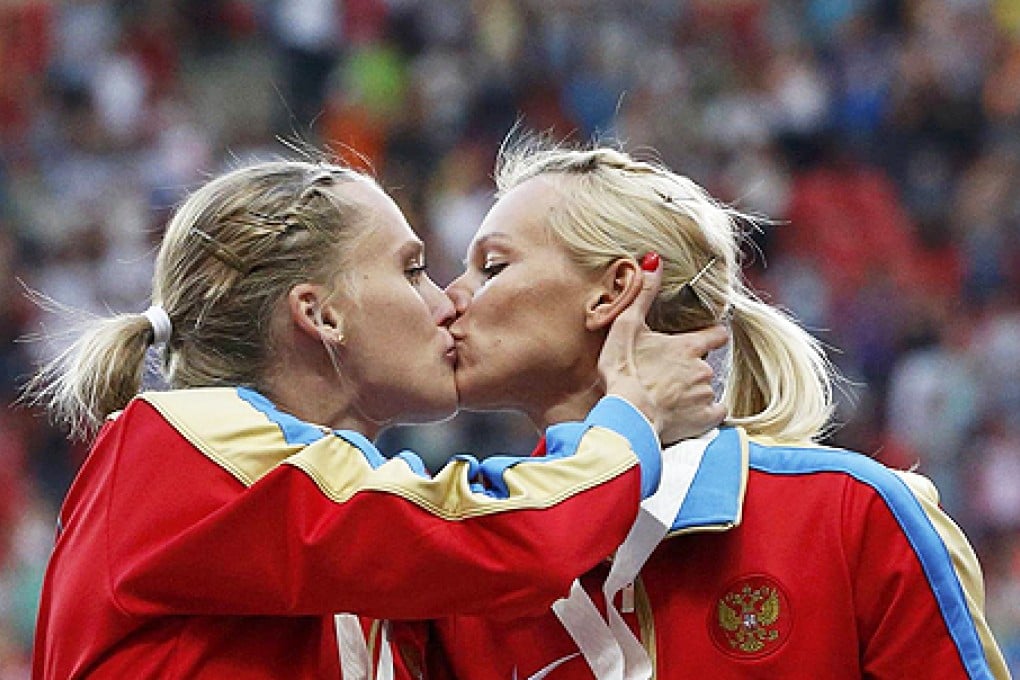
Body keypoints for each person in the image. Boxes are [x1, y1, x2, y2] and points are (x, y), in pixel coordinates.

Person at [24, 158, 730, 679]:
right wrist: (628, 414)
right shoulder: (188, 448)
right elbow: (503, 536)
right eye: (413, 268)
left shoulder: (335, 516)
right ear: (321, 314)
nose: (448, 302)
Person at [398, 140, 1010, 679]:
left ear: (613, 292)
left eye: (494, 267)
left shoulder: (852, 516)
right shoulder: (469, 564)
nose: (451, 301)